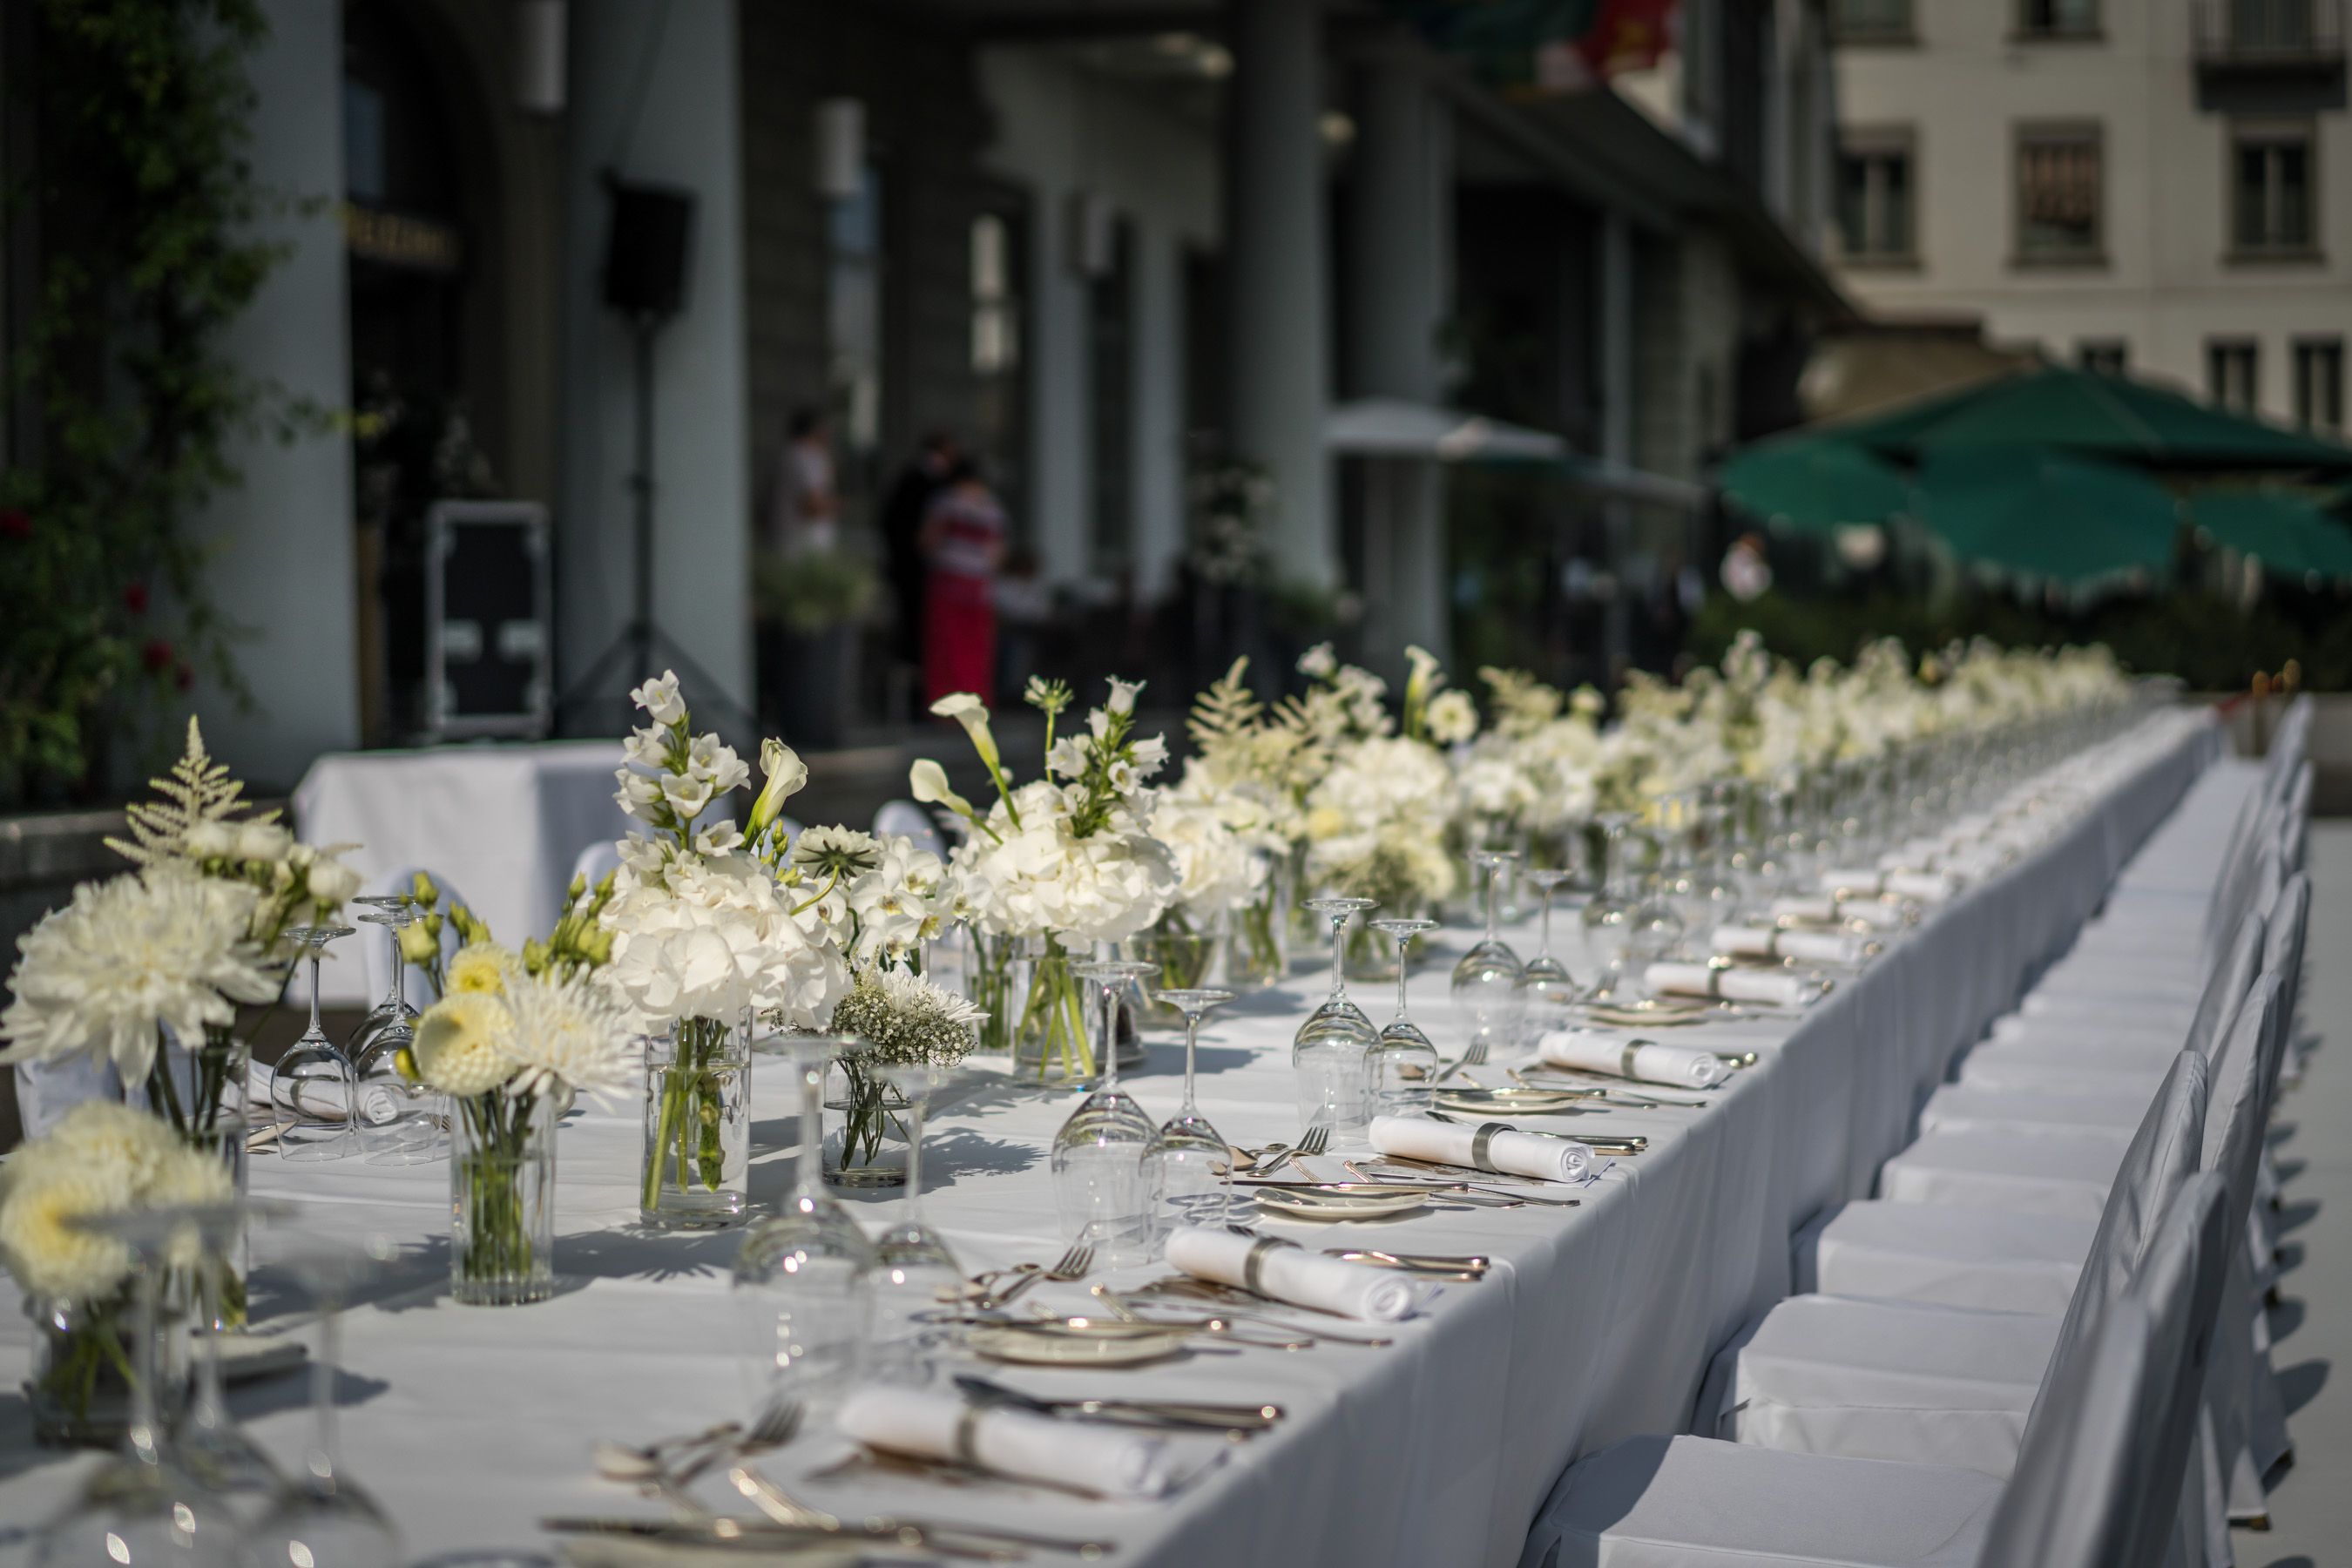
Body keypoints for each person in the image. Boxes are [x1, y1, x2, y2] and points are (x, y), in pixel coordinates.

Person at [921, 458, 1009, 705]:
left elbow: (928, 540)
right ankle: (976, 701)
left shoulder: (946, 502)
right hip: (978, 586)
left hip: (948, 581)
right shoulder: (992, 507)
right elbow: (997, 554)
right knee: (976, 650)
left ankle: (945, 706)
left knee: (946, 649)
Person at [881, 431, 958, 700]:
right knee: (919, 636)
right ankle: (918, 697)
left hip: (907, 569)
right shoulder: (932, 486)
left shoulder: (911, 479)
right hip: (919, 573)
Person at [767, 408, 838, 554]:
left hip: (793, 544)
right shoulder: (804, 457)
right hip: (803, 548)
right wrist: (836, 505)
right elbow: (812, 505)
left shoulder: (790, 454)